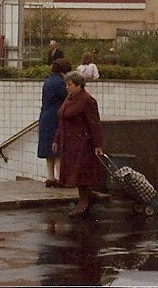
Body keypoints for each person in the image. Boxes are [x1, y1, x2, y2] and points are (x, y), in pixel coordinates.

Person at [52, 71, 103, 217]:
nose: (67, 87)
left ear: (79, 85)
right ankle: (88, 197)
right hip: (69, 143)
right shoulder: (69, 98)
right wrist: (56, 139)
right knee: (74, 173)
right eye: (66, 85)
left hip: (82, 144)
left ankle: (84, 202)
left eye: (70, 85)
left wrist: (98, 145)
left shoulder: (87, 100)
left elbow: (95, 124)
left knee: (81, 174)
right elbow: (62, 120)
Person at [38, 58, 71, 187]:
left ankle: (50, 177)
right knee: (58, 150)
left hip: (45, 116)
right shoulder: (61, 83)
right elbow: (67, 98)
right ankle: (60, 178)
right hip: (56, 118)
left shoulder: (48, 81)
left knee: (48, 151)